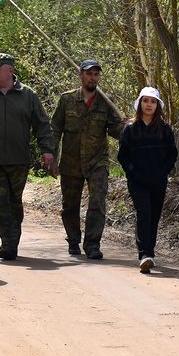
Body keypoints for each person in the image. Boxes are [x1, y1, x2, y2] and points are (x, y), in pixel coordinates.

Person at [0, 53, 55, 260]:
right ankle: (7, 241)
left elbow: (42, 125)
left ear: (10, 70)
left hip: (19, 159)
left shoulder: (28, 95)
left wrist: (47, 151)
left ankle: (12, 239)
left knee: (14, 201)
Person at [50, 59, 124, 259]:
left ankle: (92, 245)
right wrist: (51, 156)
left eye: (96, 74)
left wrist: (127, 126)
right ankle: (73, 239)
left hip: (97, 161)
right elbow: (55, 129)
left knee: (97, 203)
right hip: (71, 162)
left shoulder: (106, 103)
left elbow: (115, 130)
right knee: (70, 204)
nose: (93, 77)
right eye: (89, 73)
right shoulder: (67, 100)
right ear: (80, 75)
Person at [117, 86, 178, 273]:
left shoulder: (165, 130)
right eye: (145, 101)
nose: (148, 105)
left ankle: (149, 252)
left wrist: (162, 172)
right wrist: (133, 172)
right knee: (144, 213)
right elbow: (123, 156)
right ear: (140, 103)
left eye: (152, 101)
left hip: (158, 181)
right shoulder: (130, 129)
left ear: (157, 105)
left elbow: (172, 154)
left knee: (154, 216)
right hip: (137, 181)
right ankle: (145, 254)